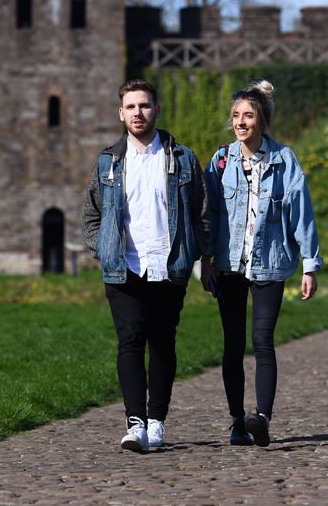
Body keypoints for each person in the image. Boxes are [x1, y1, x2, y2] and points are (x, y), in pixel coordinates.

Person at [82, 79, 210, 453]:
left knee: (163, 344)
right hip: (124, 267)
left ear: (156, 110)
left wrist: (192, 251)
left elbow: (203, 213)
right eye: (131, 107)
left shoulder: (182, 158)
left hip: (168, 264)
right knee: (130, 341)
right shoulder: (108, 161)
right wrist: (105, 250)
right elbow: (91, 215)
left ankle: (157, 421)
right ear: (121, 113)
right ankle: (134, 422)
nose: (138, 113)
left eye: (145, 106)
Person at [202, 80, 322, 447]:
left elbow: (301, 212)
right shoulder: (220, 160)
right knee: (233, 344)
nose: (240, 122)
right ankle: (238, 420)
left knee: (263, 340)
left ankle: (262, 419)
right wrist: (205, 260)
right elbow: (211, 215)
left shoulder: (285, 160)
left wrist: (309, 264)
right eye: (236, 116)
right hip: (229, 264)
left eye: (248, 116)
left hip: (270, 263)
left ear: (262, 121)